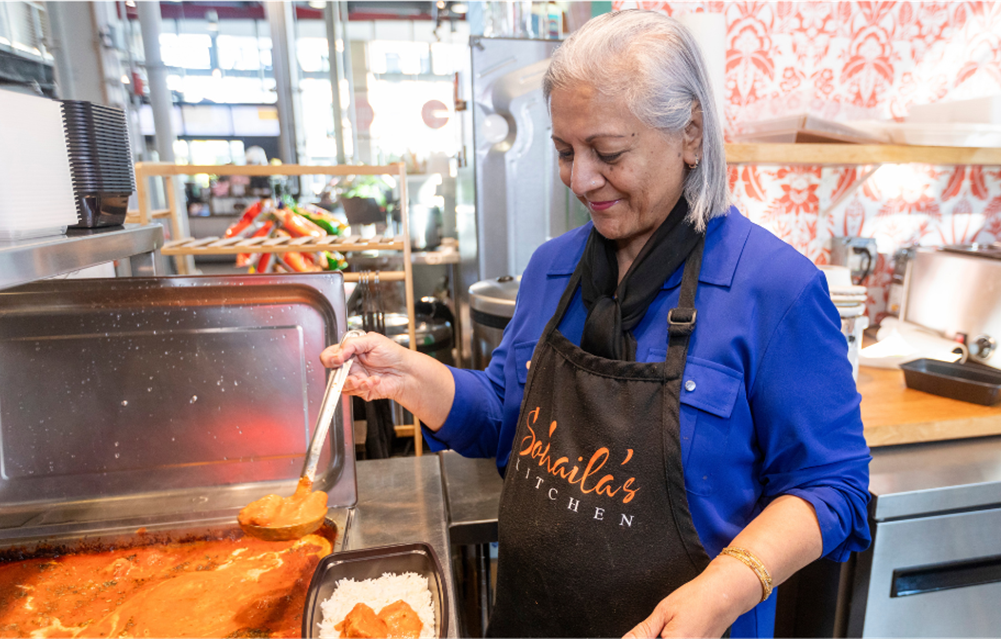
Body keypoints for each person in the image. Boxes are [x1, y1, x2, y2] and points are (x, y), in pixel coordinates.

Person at [321, 10, 871, 638]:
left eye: (607, 153)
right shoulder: (552, 269)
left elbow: (832, 485)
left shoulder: (775, 287)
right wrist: (413, 378)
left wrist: (722, 594)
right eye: (564, 151)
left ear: (690, 133)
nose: (580, 179)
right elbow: (506, 416)